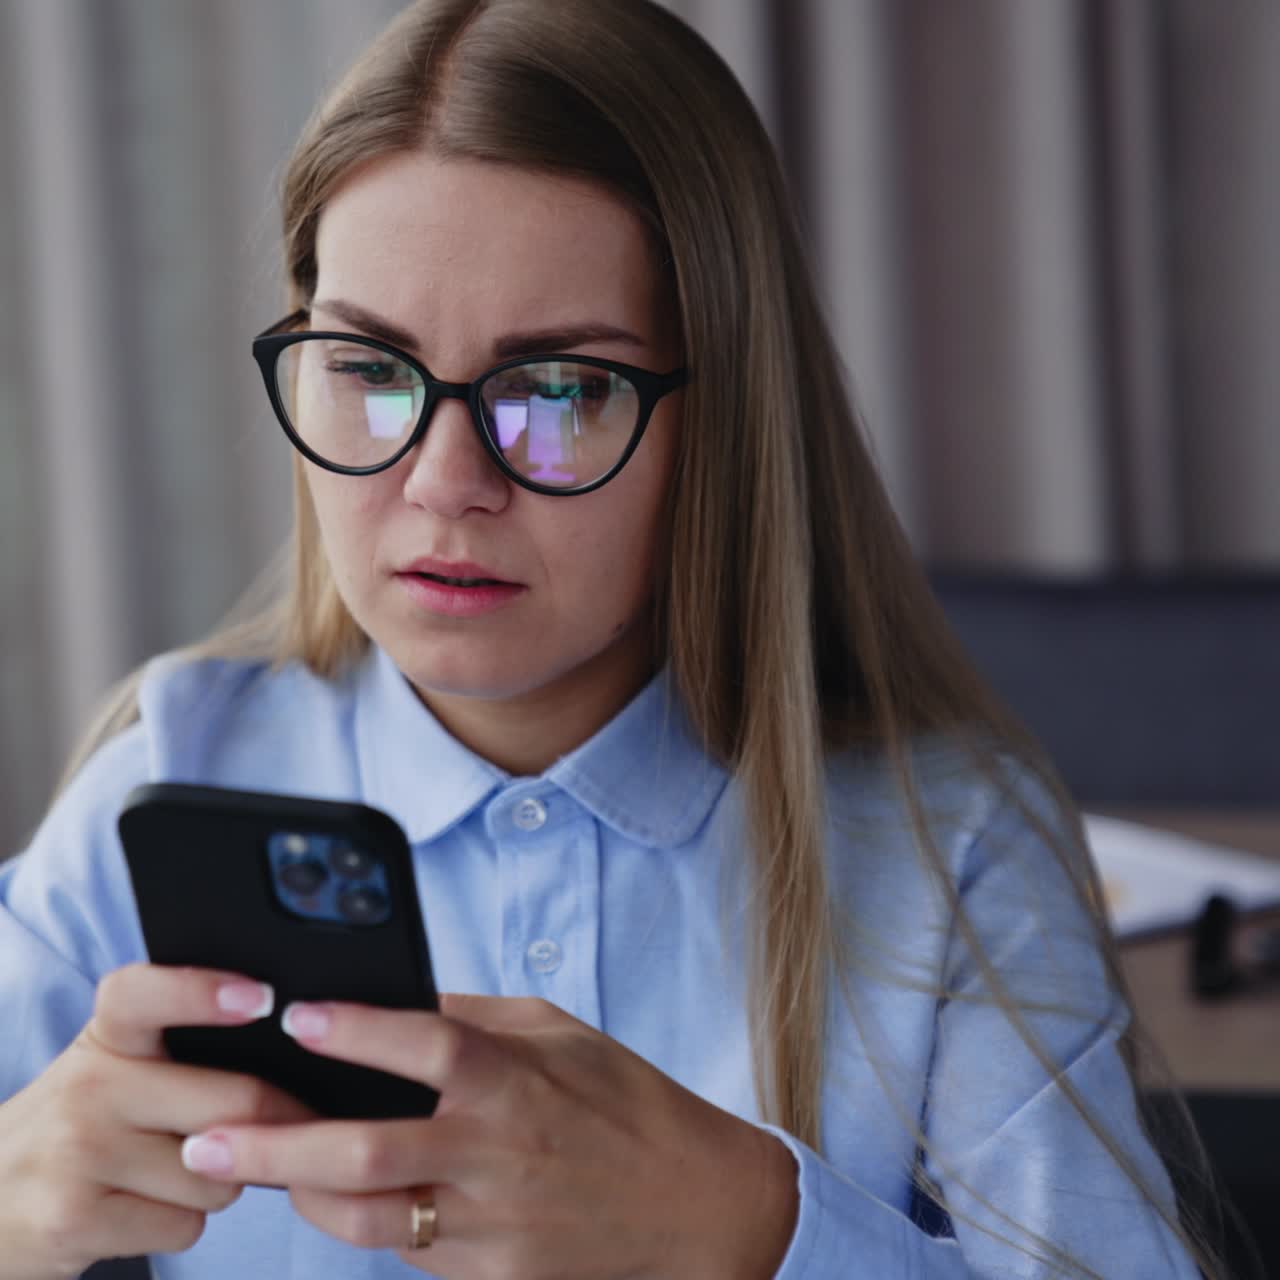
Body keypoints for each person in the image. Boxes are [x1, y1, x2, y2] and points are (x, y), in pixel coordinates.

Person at [0, 2, 1227, 1277]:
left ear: (724, 420)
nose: (443, 481)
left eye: (559, 390)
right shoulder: (167, 777)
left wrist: (757, 1228)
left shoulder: (945, 843)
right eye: (369, 366)